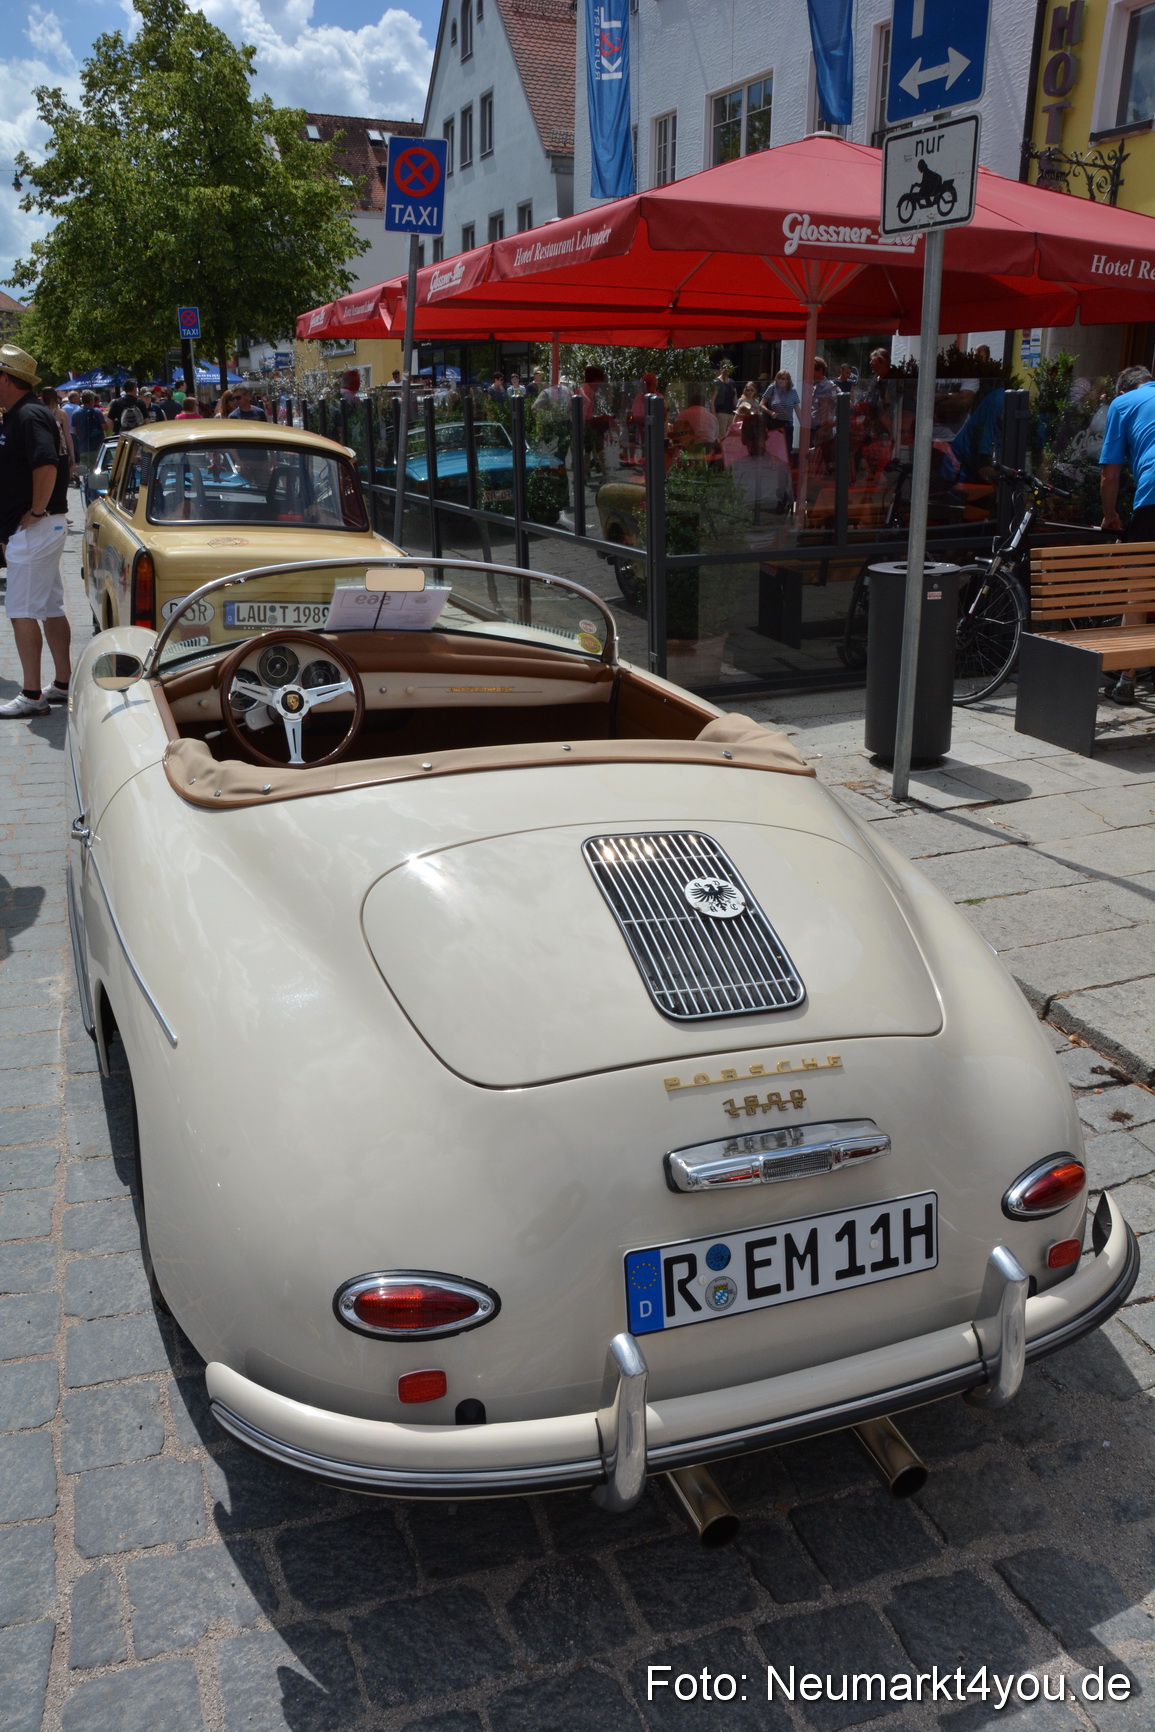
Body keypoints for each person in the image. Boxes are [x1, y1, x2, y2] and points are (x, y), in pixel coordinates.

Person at [0, 346, 72, 717]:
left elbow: (47, 466)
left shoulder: (28, 415)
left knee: (22, 610)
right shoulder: (26, 414)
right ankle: (62, 682)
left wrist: (36, 510)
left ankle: (31, 695)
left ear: (6, 379)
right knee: (48, 606)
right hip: (42, 526)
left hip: (37, 528)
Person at [1099, 363, 1155, 702]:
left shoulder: (1123, 404)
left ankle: (1127, 679)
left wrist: (1110, 514)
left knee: (1139, 586)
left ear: (1123, 390)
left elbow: (1110, 474)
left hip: (1153, 498)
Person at [761, 370, 799, 455]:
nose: (780, 381)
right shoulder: (772, 388)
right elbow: (761, 404)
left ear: (788, 380)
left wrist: (804, 424)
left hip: (788, 424)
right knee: (774, 449)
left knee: (787, 449)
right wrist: (770, 412)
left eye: (783, 378)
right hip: (775, 423)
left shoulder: (793, 391)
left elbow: (797, 408)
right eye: (779, 378)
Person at [39, 388, 77, 472]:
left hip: (44, 451)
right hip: (61, 451)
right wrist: (72, 456)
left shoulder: (39, 413)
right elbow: (67, 435)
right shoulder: (61, 413)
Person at [73, 392, 110, 472]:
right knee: (101, 471)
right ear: (92, 400)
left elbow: (75, 431)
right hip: (98, 447)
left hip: (83, 448)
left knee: (87, 473)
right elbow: (105, 428)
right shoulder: (97, 411)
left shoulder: (75, 413)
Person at [712, 364, 737, 437]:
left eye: (728, 368)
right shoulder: (717, 382)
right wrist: (714, 416)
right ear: (721, 368)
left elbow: (735, 398)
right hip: (721, 413)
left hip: (731, 413)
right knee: (722, 435)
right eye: (725, 367)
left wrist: (737, 412)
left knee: (731, 436)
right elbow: (712, 400)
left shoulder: (732, 382)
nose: (727, 370)